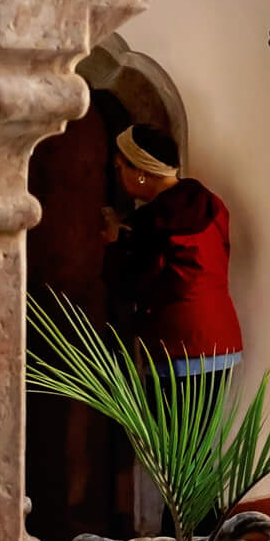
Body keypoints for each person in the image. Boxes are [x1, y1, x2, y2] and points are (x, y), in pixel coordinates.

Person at [108, 124, 243, 392]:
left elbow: (135, 284)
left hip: (177, 343)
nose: (118, 176)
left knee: (169, 421)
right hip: (220, 335)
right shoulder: (211, 203)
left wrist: (115, 244)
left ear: (141, 172)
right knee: (207, 420)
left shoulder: (151, 221)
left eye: (120, 167)